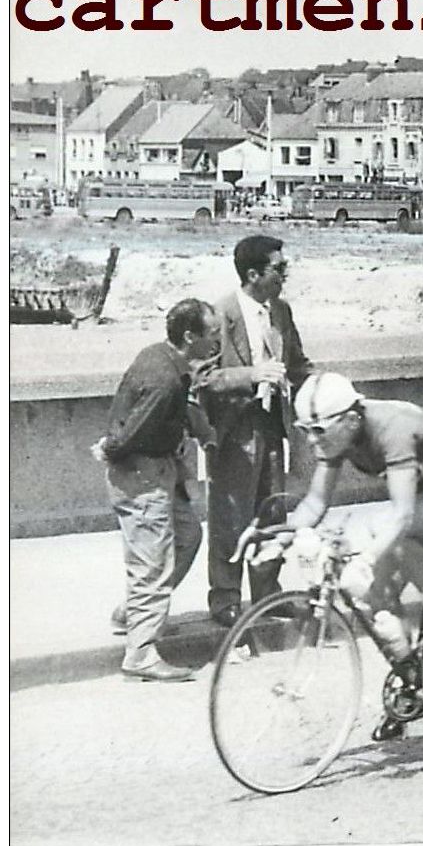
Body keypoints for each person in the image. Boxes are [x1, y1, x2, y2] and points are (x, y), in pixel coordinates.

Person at [279, 373, 423, 742]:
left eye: (319, 430)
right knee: (373, 600)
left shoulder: (392, 428)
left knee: (389, 532)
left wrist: (364, 558)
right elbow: (315, 503)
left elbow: (401, 516)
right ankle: (413, 684)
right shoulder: (340, 435)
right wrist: (280, 535)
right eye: (305, 431)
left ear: (350, 419)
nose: (313, 441)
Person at [95, 299, 221, 682]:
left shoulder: (162, 358)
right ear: (190, 336)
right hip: (141, 475)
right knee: (151, 563)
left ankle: (132, 617)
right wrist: (109, 449)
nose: (217, 338)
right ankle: (141, 654)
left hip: (157, 470)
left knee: (187, 535)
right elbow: (132, 431)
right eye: (211, 332)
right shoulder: (166, 379)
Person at [199, 234, 313, 628]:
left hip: (272, 424)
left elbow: (298, 364)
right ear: (253, 274)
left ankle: (267, 594)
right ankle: (225, 600)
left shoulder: (281, 311)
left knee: (272, 513)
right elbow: (203, 377)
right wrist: (251, 375)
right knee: (230, 517)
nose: (286, 274)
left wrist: (325, 389)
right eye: (279, 269)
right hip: (235, 430)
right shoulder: (219, 314)